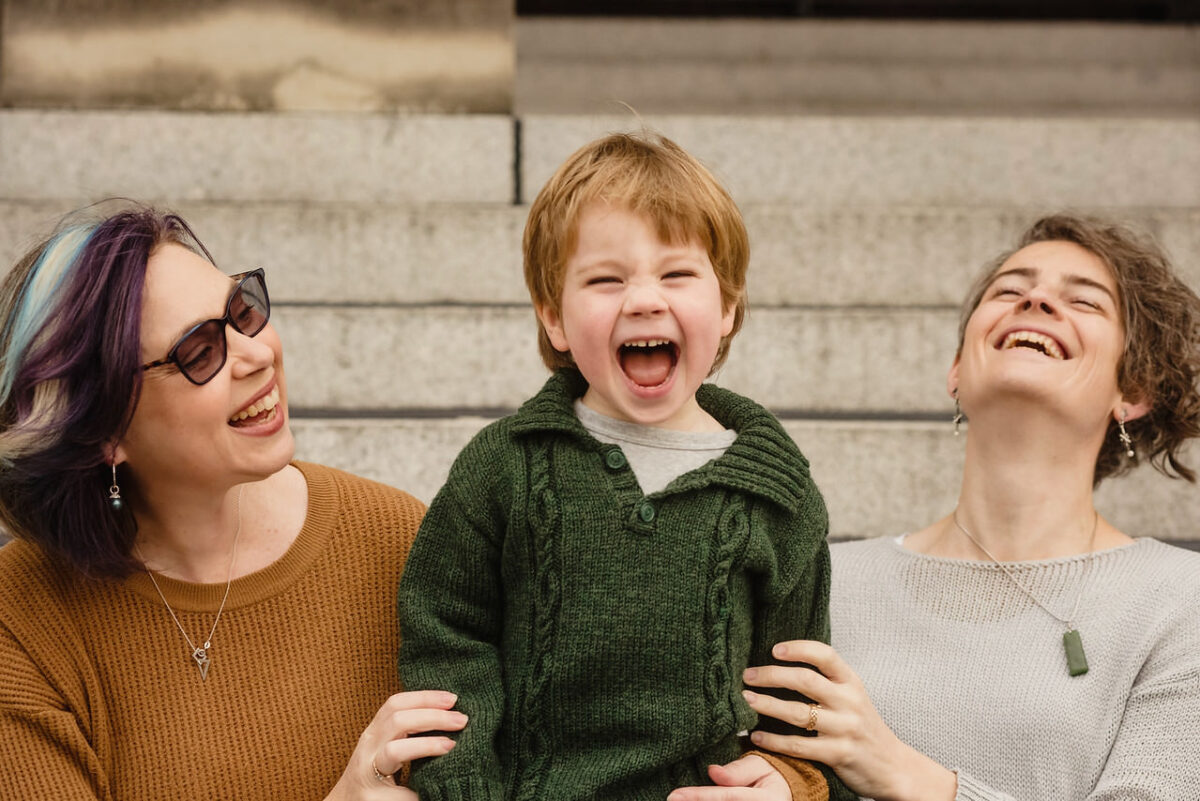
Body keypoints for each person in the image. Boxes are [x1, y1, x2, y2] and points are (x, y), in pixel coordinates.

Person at [397, 132, 853, 801]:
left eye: (676, 274)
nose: (644, 298)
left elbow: (802, 701)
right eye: (606, 279)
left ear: (726, 307)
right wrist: (463, 786)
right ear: (554, 317)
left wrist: (790, 784)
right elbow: (448, 641)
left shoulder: (777, 495)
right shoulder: (503, 468)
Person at [682, 213, 1200, 800]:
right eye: (1010, 290)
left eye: (1084, 302)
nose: (1035, 299)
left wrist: (911, 777)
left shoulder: (1180, 601)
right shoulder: (828, 576)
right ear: (956, 371)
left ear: (1133, 391)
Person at [0, 202, 466, 800]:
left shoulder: (397, 538)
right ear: (101, 431)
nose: (258, 353)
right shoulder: (22, 619)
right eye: (199, 352)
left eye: (241, 312)